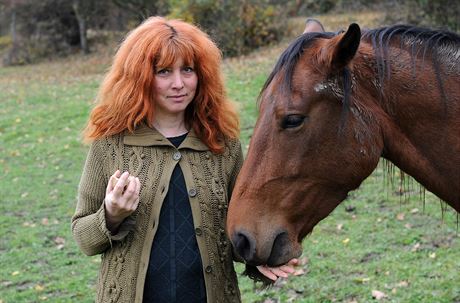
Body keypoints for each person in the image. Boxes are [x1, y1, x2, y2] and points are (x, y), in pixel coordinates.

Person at [71, 16, 298, 303]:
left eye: (187, 70)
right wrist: (111, 215)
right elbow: (83, 238)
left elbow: (234, 231)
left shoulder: (222, 144)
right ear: (140, 77)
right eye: (163, 71)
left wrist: (260, 258)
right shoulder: (111, 144)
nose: (178, 83)